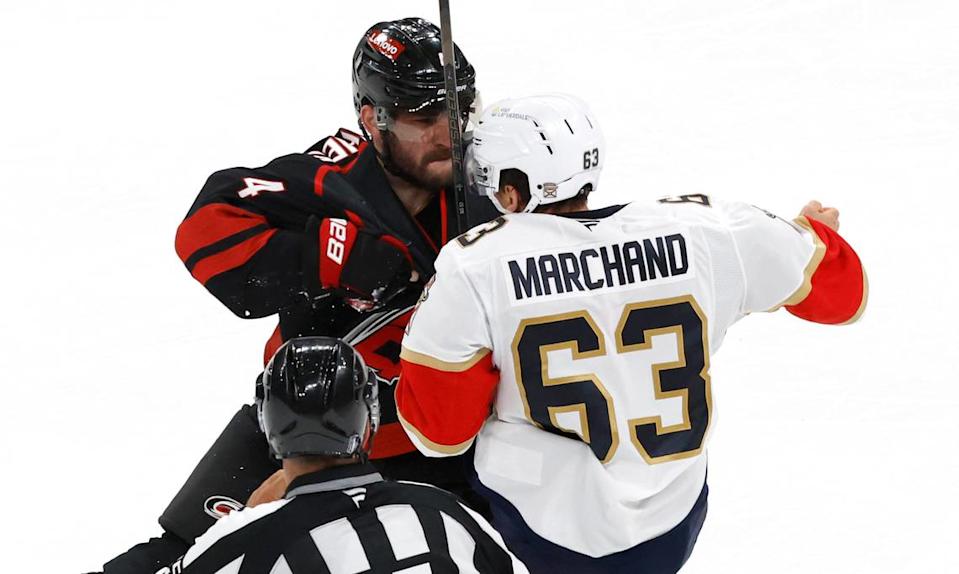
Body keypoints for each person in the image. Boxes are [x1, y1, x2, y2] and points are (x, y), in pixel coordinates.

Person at [395, 93, 868, 573]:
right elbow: (843, 295)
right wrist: (814, 235)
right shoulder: (708, 229)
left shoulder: (474, 265)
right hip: (671, 525)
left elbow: (439, 433)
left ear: (513, 194)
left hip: (541, 533)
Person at [103, 17, 497, 573]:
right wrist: (332, 258)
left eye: (458, 110)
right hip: (304, 440)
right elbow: (204, 226)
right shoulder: (327, 179)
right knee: (177, 556)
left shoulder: (495, 181)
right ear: (373, 119)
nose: (447, 133)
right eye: (423, 117)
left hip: (446, 439)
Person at [155, 337, 528, 574]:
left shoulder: (242, 541)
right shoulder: (450, 513)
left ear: (268, 425)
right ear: (370, 423)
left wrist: (245, 521)